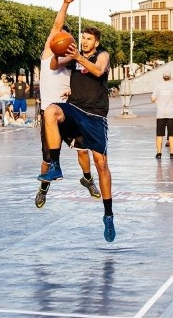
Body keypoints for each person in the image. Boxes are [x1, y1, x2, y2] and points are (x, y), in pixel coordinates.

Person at [41, 26, 116, 242]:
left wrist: (77, 57)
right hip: (74, 109)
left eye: (88, 39)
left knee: (101, 165)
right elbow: (54, 65)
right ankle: (55, 166)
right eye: (82, 37)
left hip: (95, 116)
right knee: (51, 111)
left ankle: (108, 215)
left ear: (96, 42)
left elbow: (98, 71)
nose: (84, 41)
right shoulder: (75, 56)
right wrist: (58, 50)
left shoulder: (102, 55)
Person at [35, 0, 101, 210]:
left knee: (83, 151)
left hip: (69, 111)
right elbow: (56, 26)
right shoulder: (48, 55)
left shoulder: (75, 62)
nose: (68, 44)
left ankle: (88, 179)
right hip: (50, 114)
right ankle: (43, 189)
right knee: (47, 159)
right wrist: (66, 3)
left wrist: (74, 92)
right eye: (64, 39)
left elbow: (85, 83)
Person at [152, 70, 173, 159]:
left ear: (163, 77)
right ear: (170, 77)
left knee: (159, 134)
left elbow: (153, 99)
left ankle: (159, 153)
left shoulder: (158, 86)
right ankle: (172, 153)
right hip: (171, 114)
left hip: (160, 114)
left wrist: (158, 101)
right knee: (171, 134)